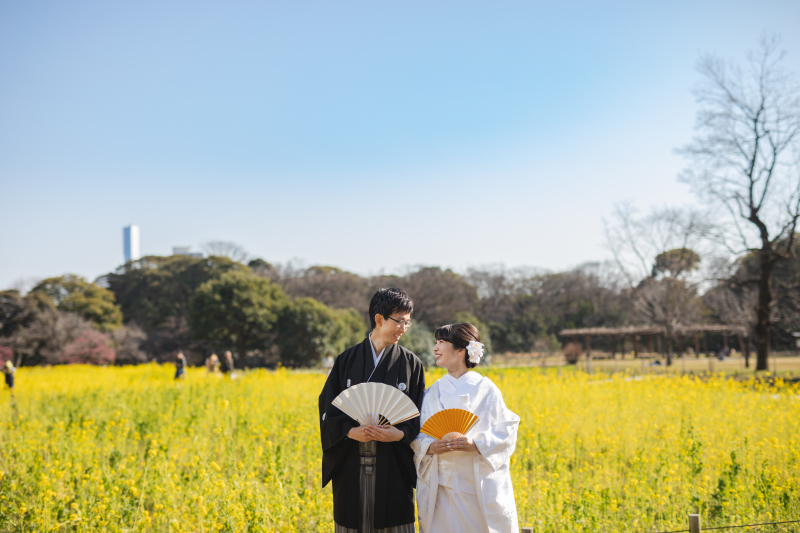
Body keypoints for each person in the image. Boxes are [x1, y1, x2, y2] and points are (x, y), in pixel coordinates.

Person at [318, 288, 426, 533]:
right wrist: (349, 431)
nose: (404, 329)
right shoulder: (346, 360)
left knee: (395, 522)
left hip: (394, 463)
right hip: (350, 460)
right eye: (400, 321)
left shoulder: (412, 364)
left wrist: (400, 434)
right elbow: (327, 408)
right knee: (351, 521)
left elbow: (419, 412)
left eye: (407, 323)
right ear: (379, 319)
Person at [411, 323, 520, 533]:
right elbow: (417, 434)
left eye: (442, 342)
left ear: (461, 350)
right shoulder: (432, 392)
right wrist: (431, 447)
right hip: (441, 489)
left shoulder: (487, 390)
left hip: (476, 487)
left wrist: (477, 443)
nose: (435, 348)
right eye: (436, 342)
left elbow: (506, 431)